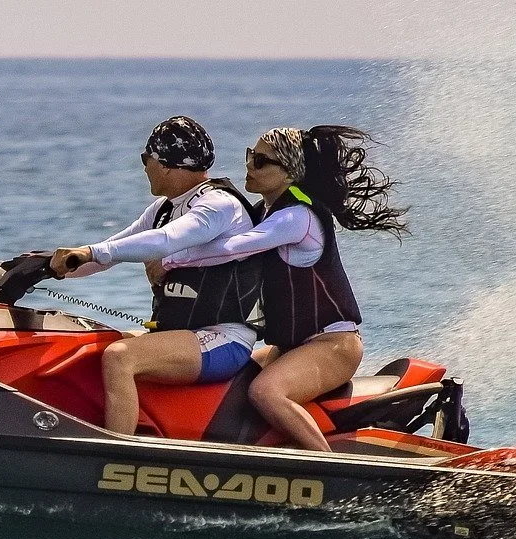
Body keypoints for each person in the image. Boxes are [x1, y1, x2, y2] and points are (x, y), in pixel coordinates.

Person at [168, 124, 408, 451]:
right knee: (232, 378)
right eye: (250, 156)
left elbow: (233, 248)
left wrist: (170, 256)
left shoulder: (297, 217)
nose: (249, 166)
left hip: (332, 345)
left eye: (261, 161)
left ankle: (331, 468)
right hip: (289, 347)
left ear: (289, 173)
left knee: (266, 392)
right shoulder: (262, 212)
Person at [48, 116, 261, 436]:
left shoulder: (218, 205)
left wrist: (92, 252)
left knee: (120, 357)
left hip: (224, 339)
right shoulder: (164, 209)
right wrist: (46, 267)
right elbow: (112, 251)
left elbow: (165, 240)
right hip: (185, 335)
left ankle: (118, 451)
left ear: (165, 164)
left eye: (145, 158)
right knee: (91, 344)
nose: (145, 167)